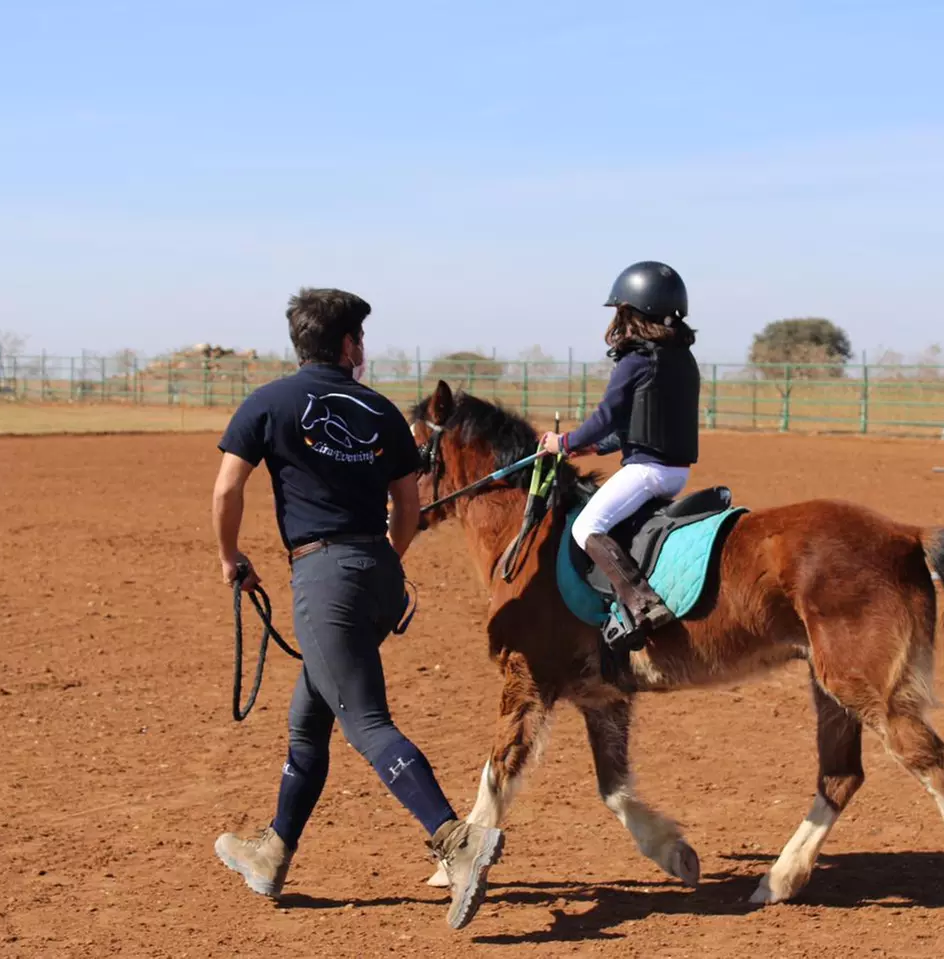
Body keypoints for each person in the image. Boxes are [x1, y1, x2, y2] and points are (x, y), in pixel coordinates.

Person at [209, 287, 502, 930]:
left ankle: (457, 839)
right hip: (378, 573)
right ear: (347, 346)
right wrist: (385, 563)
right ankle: (272, 852)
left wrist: (231, 556)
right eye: (361, 339)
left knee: (366, 722)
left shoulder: (268, 403)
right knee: (309, 720)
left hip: (323, 576)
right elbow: (409, 508)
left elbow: (229, 486)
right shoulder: (381, 411)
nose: (363, 350)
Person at [541, 261, 702, 644]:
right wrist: (598, 447)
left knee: (586, 528)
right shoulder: (682, 359)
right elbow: (637, 427)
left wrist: (563, 443)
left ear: (632, 312)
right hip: (676, 471)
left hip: (648, 472)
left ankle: (642, 603)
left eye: (620, 310)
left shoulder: (635, 361)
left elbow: (605, 417)